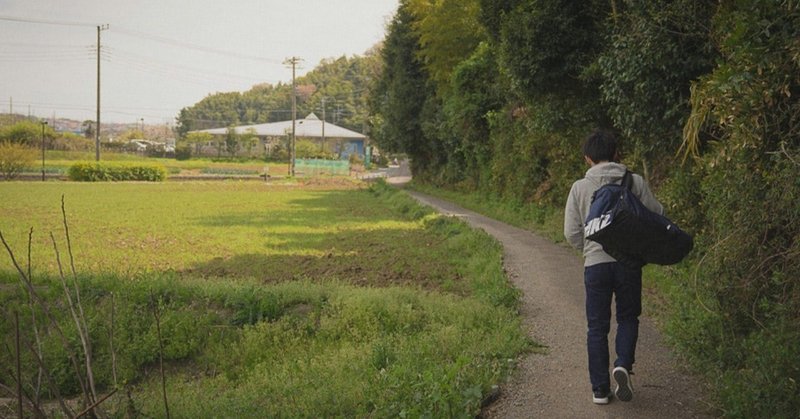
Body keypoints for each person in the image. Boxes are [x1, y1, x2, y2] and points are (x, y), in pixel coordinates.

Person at [563, 130, 664, 405]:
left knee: (596, 327)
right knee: (628, 318)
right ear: (617, 154)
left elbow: (571, 232)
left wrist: (589, 251)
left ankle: (599, 390)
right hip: (629, 263)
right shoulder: (635, 181)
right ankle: (622, 364)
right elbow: (657, 215)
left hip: (595, 266)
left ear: (588, 159)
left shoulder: (579, 188)